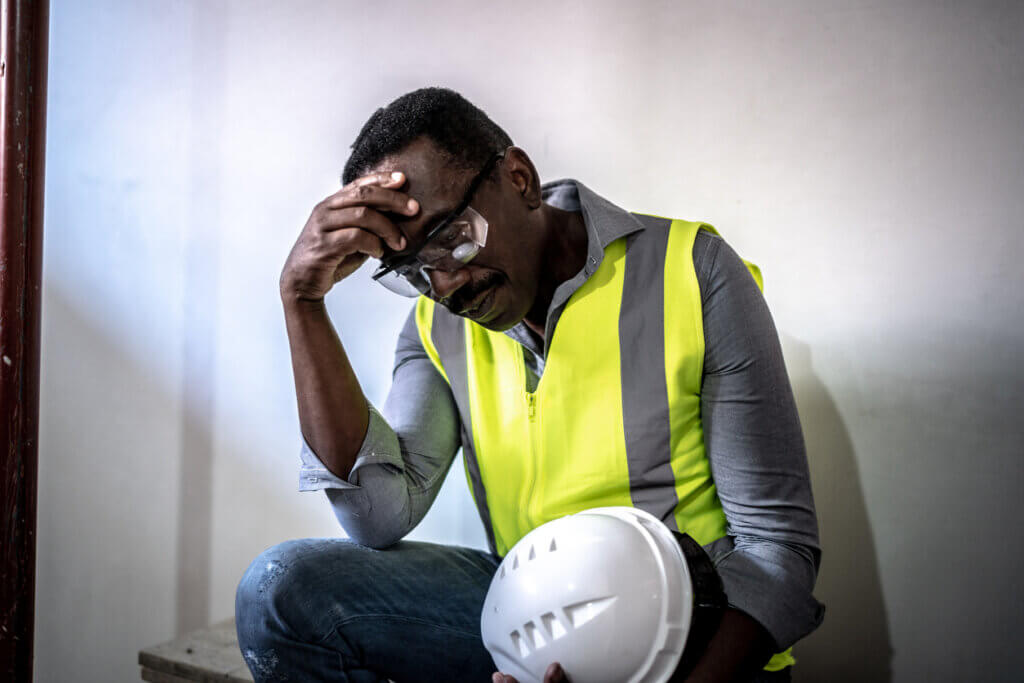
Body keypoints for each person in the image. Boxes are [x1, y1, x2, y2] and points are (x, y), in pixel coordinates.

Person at [235, 87, 824, 683]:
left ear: (520, 178)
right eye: (414, 270)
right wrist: (303, 303)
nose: (444, 285)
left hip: (691, 639)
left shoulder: (694, 273)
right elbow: (377, 514)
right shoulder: (437, 328)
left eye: (452, 239)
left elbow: (777, 552)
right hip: (533, 623)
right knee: (283, 593)